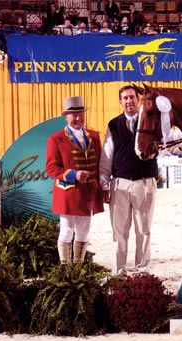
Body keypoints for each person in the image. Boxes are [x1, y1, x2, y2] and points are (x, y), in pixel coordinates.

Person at [99, 85, 159, 275]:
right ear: (120, 102)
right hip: (120, 183)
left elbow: (161, 146)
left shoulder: (151, 120)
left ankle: (142, 270)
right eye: (125, 98)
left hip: (145, 182)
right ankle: (120, 270)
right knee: (119, 232)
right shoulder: (113, 125)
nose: (129, 101)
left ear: (138, 100)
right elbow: (107, 156)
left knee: (144, 230)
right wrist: (104, 184)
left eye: (132, 97)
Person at [45, 96, 104, 264]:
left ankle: (78, 267)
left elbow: (99, 163)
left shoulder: (94, 136)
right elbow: (51, 168)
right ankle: (65, 269)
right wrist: (74, 174)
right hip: (68, 193)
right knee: (66, 230)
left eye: (80, 114)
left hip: (87, 193)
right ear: (66, 117)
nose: (78, 118)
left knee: (84, 230)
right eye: (73, 115)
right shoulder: (56, 139)